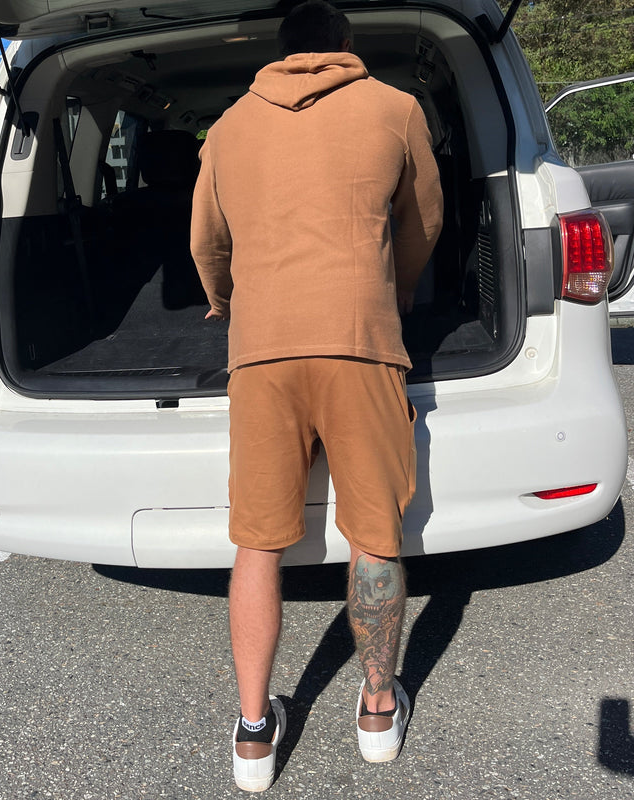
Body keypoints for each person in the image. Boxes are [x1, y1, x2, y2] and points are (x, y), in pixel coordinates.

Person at [190, 0, 443, 791]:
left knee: (256, 542)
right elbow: (423, 219)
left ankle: (253, 736)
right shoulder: (396, 108)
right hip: (360, 340)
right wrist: (398, 290)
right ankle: (377, 712)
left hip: (261, 351)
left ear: (278, 51)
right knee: (375, 534)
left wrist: (229, 303)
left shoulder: (228, 127)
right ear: (345, 44)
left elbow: (206, 242)